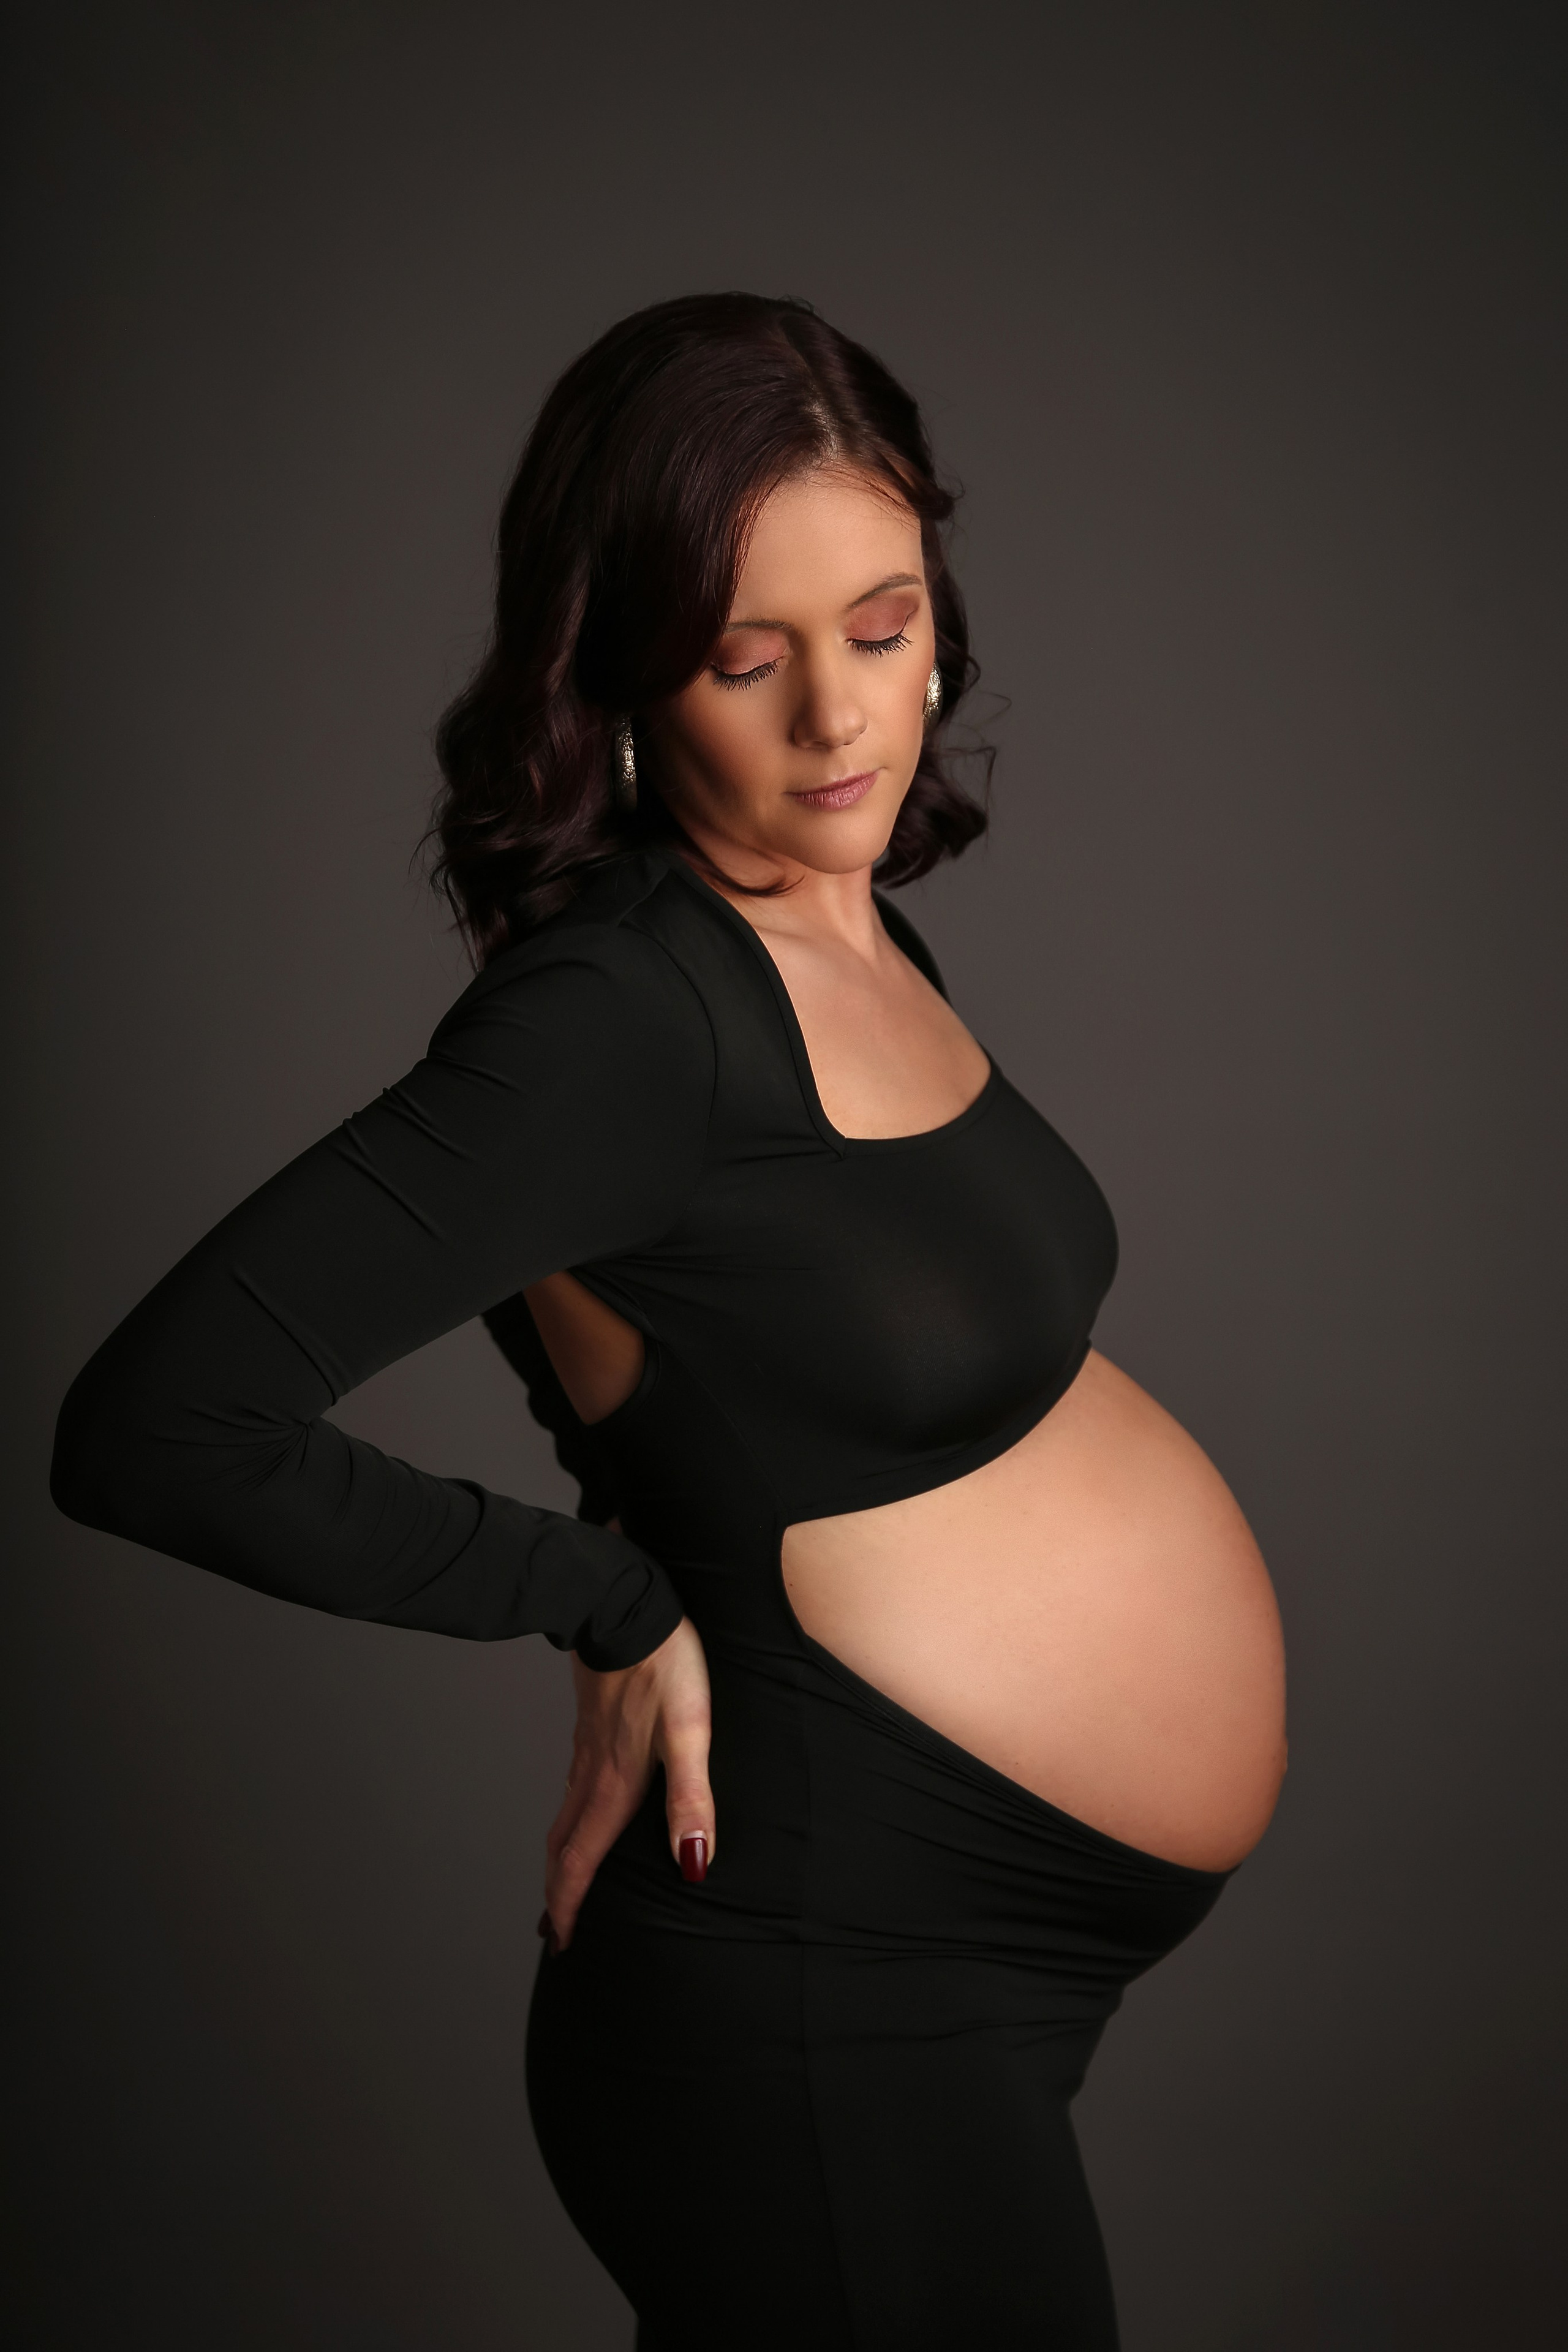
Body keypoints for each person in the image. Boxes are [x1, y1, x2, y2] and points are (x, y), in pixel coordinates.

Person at [52, 293, 1287, 2350]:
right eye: (746, 657)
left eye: (883, 628)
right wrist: (602, 1600)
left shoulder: (845, 910)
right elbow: (156, 1424)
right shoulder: (613, 1022)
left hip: (961, 1977)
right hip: (821, 1997)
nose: (842, 721)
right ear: (621, 674)